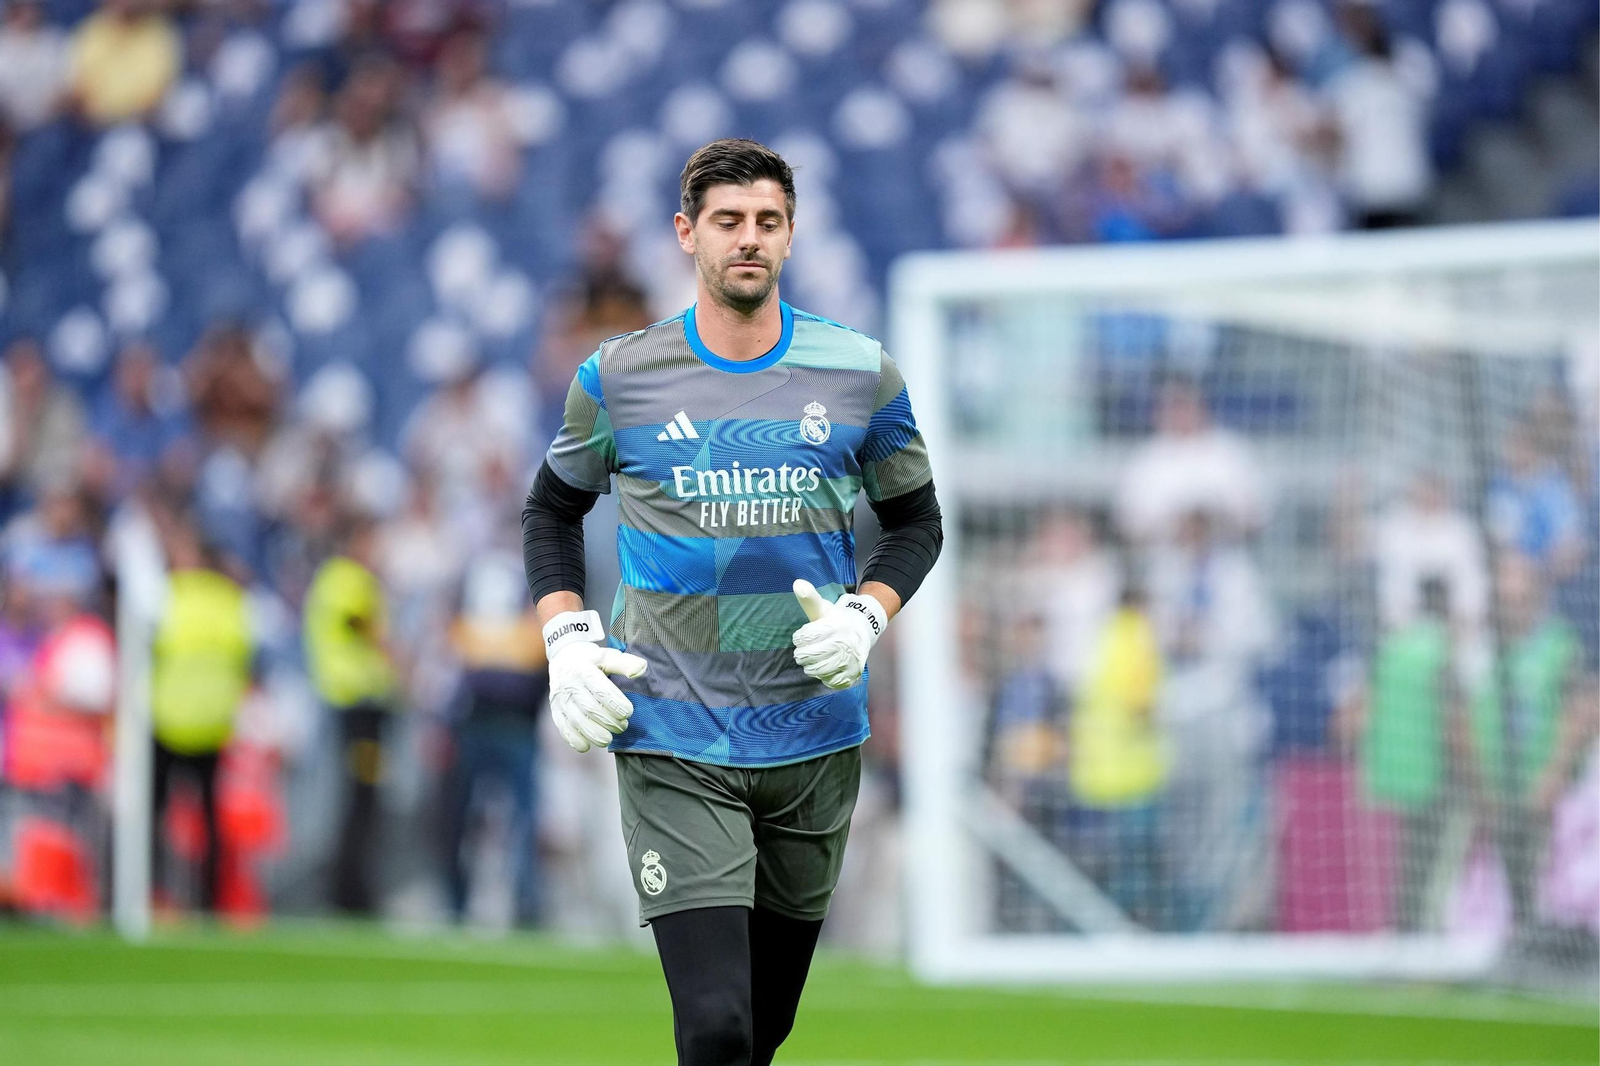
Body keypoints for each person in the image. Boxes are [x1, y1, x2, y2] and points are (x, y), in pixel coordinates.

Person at [522, 139, 942, 1066]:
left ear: (790, 235)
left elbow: (918, 524)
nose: (747, 239)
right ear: (687, 234)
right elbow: (551, 510)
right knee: (715, 1026)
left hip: (814, 737)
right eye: (727, 222)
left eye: (767, 221)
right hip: (674, 734)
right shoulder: (619, 376)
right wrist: (565, 634)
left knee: (763, 1026)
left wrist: (868, 615)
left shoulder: (860, 372)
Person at [1345, 576, 1462, 932]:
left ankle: (1401, 941)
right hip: (1435, 781)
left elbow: (1358, 714)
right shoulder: (1441, 650)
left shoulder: (1392, 648)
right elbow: (1452, 720)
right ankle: (1423, 952)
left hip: (1390, 780)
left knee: (1403, 871)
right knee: (1435, 874)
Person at [148, 525, 253, 913]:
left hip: (168, 718)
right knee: (209, 820)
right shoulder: (231, 600)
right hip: (212, 722)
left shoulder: (165, 596)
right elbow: (243, 658)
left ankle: (154, 895)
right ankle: (209, 903)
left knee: (156, 817)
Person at [440, 550, 546, 926]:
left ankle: (526, 903)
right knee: (466, 817)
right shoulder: (475, 595)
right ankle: (458, 901)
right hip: (482, 720)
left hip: (512, 722)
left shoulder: (524, 596)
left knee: (523, 819)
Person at [303, 514, 398, 914]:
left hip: (352, 705)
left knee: (359, 801)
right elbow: (361, 627)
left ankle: (350, 888)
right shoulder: (348, 579)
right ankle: (351, 892)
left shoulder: (331, 579)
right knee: (361, 801)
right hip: (359, 706)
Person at [67, 0, 181, 127]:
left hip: (133, 123)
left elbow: (153, 94)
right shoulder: (94, 27)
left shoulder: (159, 34)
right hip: (86, 121)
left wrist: (112, 114)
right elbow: (79, 81)